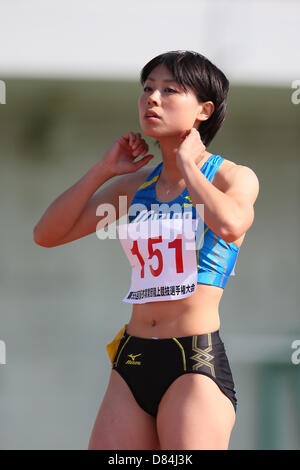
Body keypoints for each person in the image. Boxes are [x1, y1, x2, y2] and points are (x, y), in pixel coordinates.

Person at [33, 50, 259, 450]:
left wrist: (189, 166)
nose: (152, 98)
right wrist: (104, 170)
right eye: (148, 89)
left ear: (203, 110)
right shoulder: (134, 186)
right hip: (132, 359)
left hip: (193, 361)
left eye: (170, 90)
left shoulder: (231, 176)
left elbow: (230, 224)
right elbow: (48, 234)